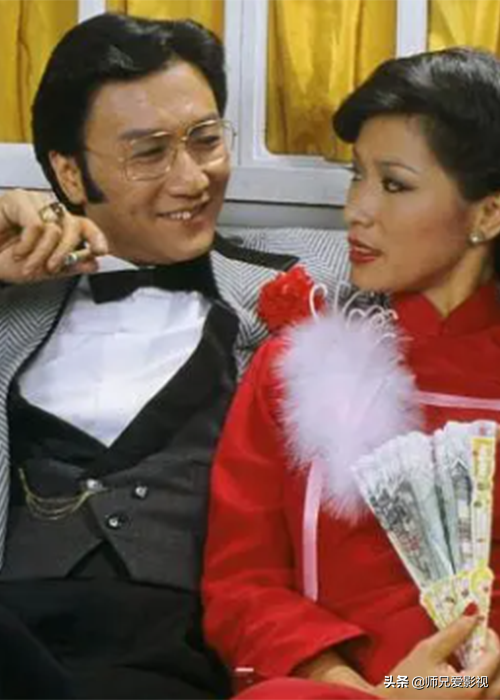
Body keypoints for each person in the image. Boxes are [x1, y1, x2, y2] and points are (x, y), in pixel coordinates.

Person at [0, 12, 347, 700]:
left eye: (206, 140)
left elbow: (453, 236)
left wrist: (411, 681)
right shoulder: (13, 299)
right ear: (69, 172)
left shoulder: (322, 270)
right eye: (150, 152)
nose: (192, 179)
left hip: (176, 652)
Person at [202, 47, 500, 700]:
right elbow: (243, 584)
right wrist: (374, 693)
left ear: (487, 213)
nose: (356, 210)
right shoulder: (293, 367)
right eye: (356, 177)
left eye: (394, 185)